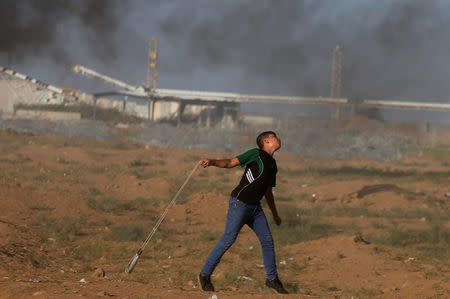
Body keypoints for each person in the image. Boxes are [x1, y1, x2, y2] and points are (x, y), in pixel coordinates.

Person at [198, 131, 288, 294]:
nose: (278, 138)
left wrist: (275, 213)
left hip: (255, 208)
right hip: (240, 203)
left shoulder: (273, 164)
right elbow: (230, 162)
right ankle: (204, 275)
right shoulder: (256, 154)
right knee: (228, 239)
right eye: (274, 136)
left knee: (267, 240)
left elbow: (268, 191)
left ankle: (272, 279)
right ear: (266, 140)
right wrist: (211, 161)